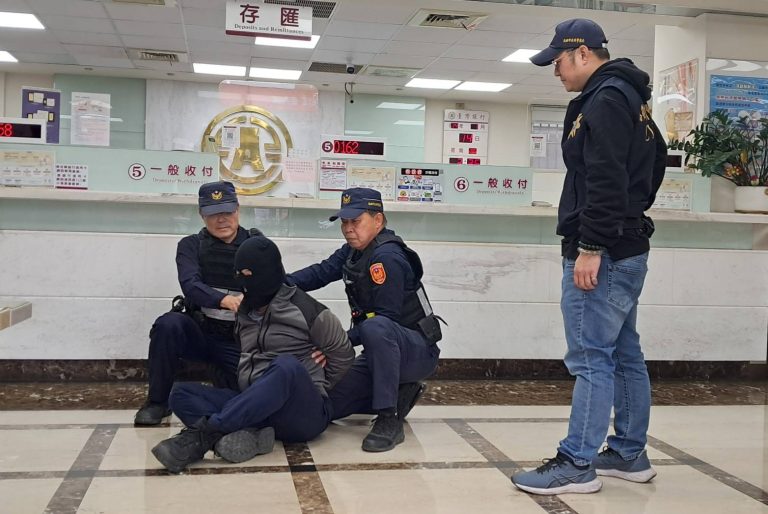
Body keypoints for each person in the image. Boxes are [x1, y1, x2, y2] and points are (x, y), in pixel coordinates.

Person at [511, 19, 667, 495]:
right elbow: (657, 161)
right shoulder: (629, 97)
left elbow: (604, 179)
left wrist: (592, 245)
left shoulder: (606, 100)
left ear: (583, 54)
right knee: (623, 353)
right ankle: (628, 453)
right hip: (626, 245)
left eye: (558, 60)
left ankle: (577, 463)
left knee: (591, 357)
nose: (555, 70)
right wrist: (629, 216)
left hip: (606, 252)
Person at [151, 236, 355, 473]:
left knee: (286, 366)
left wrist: (316, 381)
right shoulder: (244, 312)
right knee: (181, 394)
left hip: (301, 414)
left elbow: (344, 354)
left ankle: (204, 436)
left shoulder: (308, 310)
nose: (243, 281)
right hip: (258, 407)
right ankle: (250, 437)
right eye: (239, 274)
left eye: (249, 274)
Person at [288, 187, 443, 452]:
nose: (348, 229)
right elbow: (319, 273)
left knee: (376, 326)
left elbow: (385, 321)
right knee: (327, 404)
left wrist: (336, 343)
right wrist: (277, 282)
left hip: (416, 351)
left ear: (378, 220)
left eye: (356, 221)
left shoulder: (387, 257)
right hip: (380, 354)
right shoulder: (353, 251)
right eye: (344, 222)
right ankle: (401, 393)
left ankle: (388, 418)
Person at [134, 181, 261, 426]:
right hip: (201, 332)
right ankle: (157, 402)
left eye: (227, 211)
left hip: (240, 339)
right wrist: (224, 300)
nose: (221, 219)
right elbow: (190, 284)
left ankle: (217, 389)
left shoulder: (257, 245)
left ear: (237, 209)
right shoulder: (190, 245)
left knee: (249, 394)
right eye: (213, 213)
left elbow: (274, 286)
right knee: (168, 325)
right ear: (202, 214)